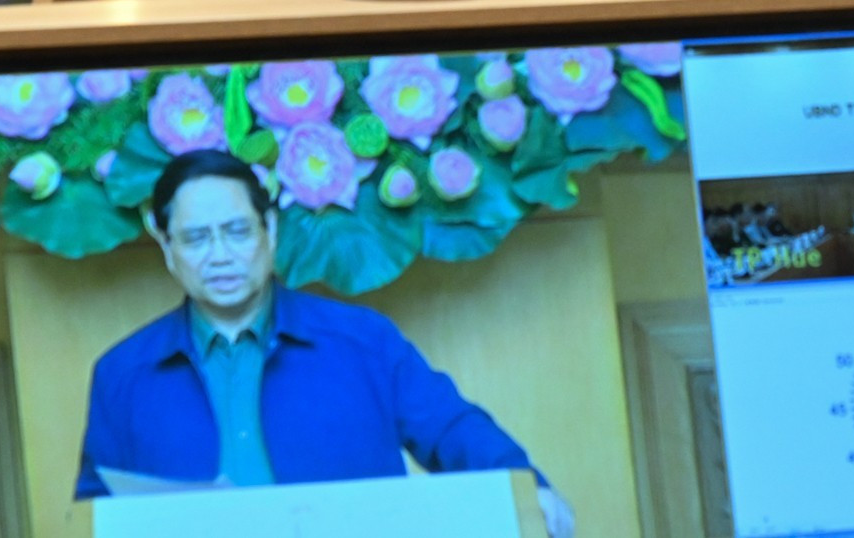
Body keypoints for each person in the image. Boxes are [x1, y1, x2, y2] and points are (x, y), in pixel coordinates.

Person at [76, 149, 573, 535]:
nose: (221, 255)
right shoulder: (122, 373)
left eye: (236, 231)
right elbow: (95, 510)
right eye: (197, 239)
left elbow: (452, 430)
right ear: (167, 248)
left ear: (269, 230)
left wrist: (529, 492)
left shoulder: (362, 341)